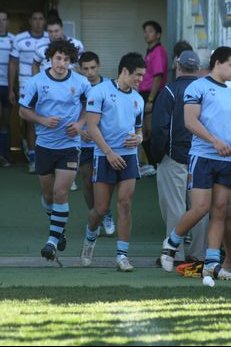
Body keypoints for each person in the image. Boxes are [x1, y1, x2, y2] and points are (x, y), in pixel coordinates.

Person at [160, 46, 231, 280]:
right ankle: (171, 243)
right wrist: (214, 141)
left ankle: (211, 263)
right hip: (203, 158)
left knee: (219, 210)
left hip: (226, 160)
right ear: (218, 63)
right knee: (200, 208)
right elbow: (190, 122)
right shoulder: (198, 86)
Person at [18, 39, 91, 261]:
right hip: (44, 146)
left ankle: (51, 242)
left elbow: (91, 105)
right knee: (48, 195)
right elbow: (23, 111)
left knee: (61, 192)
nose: (61, 63)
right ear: (50, 58)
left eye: (66, 60)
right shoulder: (36, 82)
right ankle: (59, 228)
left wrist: (79, 125)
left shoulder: (81, 82)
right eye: (58, 58)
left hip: (69, 147)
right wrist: (41, 119)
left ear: (71, 62)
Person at [80, 52, 146, 271]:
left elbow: (139, 131)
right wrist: (108, 152)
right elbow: (91, 127)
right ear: (124, 71)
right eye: (138, 75)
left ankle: (122, 256)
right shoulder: (100, 92)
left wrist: (138, 138)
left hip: (128, 157)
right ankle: (89, 240)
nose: (140, 80)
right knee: (100, 209)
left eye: (142, 76)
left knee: (125, 204)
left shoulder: (138, 98)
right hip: (104, 156)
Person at [151, 50, 208, 265]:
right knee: (200, 207)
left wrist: (157, 156)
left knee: (174, 207)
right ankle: (199, 255)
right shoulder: (207, 90)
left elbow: (159, 130)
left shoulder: (169, 90)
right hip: (202, 156)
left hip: (174, 156)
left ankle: (174, 255)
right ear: (198, 68)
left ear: (177, 65)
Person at [78, 51, 115, 236]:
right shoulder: (76, 86)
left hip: (104, 144)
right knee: (86, 181)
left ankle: (105, 212)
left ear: (98, 66)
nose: (89, 72)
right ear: (79, 69)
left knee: (103, 182)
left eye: (93, 68)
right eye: (85, 69)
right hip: (83, 143)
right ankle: (95, 215)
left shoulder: (109, 85)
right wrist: (79, 130)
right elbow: (70, 112)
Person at [8, 10, 48, 174]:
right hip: (26, 85)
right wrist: (11, 88)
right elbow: (13, 64)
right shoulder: (20, 38)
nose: (38, 22)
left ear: (44, 21)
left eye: (41, 18)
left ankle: (46, 157)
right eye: (35, 19)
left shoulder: (50, 38)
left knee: (45, 120)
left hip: (47, 86)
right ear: (30, 21)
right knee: (31, 121)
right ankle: (33, 158)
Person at [139, 20, 168, 177]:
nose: (146, 34)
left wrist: (150, 100)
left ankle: (157, 164)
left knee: (150, 130)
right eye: (145, 31)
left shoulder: (158, 51)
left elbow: (158, 77)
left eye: (150, 31)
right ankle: (152, 164)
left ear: (157, 35)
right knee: (143, 131)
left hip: (153, 94)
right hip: (144, 94)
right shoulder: (149, 51)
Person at [0, 9, 14, 167]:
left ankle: (5, 155)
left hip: (7, 86)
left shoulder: (13, 40)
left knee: (4, 121)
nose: (0, 22)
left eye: (3, 19)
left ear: (7, 22)